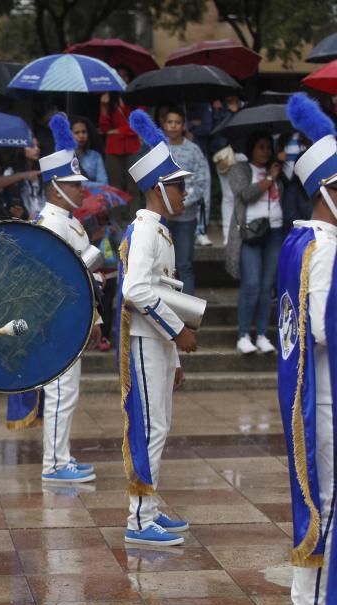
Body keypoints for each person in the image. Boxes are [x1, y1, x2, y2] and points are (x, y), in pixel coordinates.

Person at [118, 109, 199, 547]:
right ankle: (137, 519)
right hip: (146, 341)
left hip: (156, 344)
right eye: (177, 187)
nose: (184, 194)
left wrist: (171, 356)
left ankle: (148, 507)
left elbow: (157, 289)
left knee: (159, 427)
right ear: (157, 191)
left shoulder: (158, 229)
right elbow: (135, 290)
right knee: (148, 427)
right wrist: (177, 334)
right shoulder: (147, 230)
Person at [279, 93, 337, 605]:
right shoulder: (324, 248)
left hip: (305, 393)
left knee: (315, 501)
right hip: (323, 398)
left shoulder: (300, 239)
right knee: (328, 502)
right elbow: (324, 327)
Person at [30, 114, 101, 483]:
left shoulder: (69, 221)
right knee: (60, 391)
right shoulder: (52, 223)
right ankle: (53, 464)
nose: (82, 190)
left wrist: (95, 319)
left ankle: (62, 456)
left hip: (74, 317)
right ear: (56, 186)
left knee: (68, 392)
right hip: (56, 321)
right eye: (75, 184)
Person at [226, 131, 285, 355]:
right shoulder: (240, 169)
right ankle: (243, 334)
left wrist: (279, 171)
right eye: (261, 147)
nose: (266, 151)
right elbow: (246, 194)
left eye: (268, 147)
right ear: (251, 148)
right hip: (250, 234)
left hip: (275, 232)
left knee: (267, 287)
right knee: (251, 285)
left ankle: (261, 334)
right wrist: (269, 179)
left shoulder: (279, 170)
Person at [162, 107, 211, 295]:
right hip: (163, 217)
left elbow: (201, 182)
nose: (173, 126)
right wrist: (166, 205)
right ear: (164, 125)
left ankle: (188, 311)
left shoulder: (193, 150)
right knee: (164, 265)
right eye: (170, 122)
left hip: (185, 217)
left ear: (183, 126)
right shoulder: (159, 149)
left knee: (184, 264)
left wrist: (181, 204)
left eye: (177, 122)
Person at [99, 82, 143, 217]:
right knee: (116, 186)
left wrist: (118, 131)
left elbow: (138, 126)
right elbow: (105, 129)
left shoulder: (137, 101)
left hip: (132, 146)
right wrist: (104, 106)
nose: (122, 80)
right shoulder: (109, 101)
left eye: (125, 76)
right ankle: (116, 222)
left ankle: (135, 219)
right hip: (113, 148)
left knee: (133, 186)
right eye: (119, 76)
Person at [212, 95, 246, 245]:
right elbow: (214, 131)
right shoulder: (218, 109)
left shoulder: (246, 107)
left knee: (244, 195)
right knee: (228, 196)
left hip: (244, 155)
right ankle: (227, 235)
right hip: (225, 156)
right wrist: (225, 112)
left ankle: (241, 232)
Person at [69, 116, 108, 185]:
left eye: (84, 132)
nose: (81, 136)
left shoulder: (95, 156)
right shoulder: (64, 157)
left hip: (93, 194)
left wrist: (83, 184)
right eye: (77, 133)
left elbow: (104, 183)